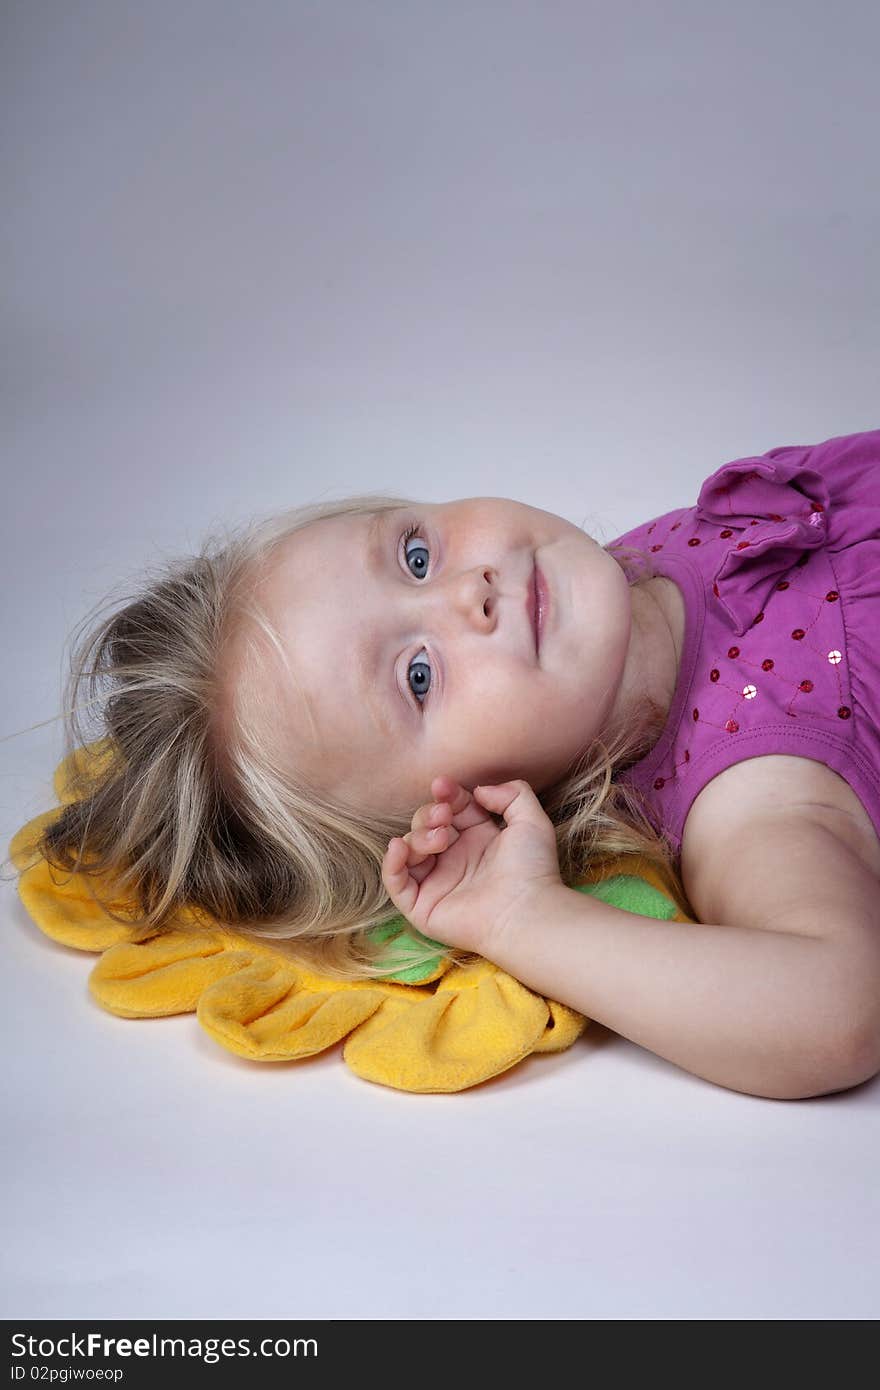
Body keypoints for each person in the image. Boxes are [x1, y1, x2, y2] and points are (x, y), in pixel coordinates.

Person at [12, 429, 880, 1099]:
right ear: (462, 805)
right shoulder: (758, 784)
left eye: (415, 556)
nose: (470, 590)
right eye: (419, 677)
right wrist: (523, 922)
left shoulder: (644, 571)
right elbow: (837, 1011)